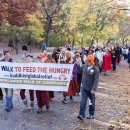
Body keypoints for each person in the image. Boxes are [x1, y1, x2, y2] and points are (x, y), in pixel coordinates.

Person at [77, 55, 99, 121]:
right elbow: (79, 71)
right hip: (83, 88)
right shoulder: (84, 66)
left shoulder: (96, 70)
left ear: (90, 62)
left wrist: (94, 89)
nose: (85, 62)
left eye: (86, 61)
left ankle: (91, 114)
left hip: (91, 89)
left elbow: (96, 80)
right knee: (83, 101)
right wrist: (78, 65)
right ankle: (81, 114)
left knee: (91, 102)